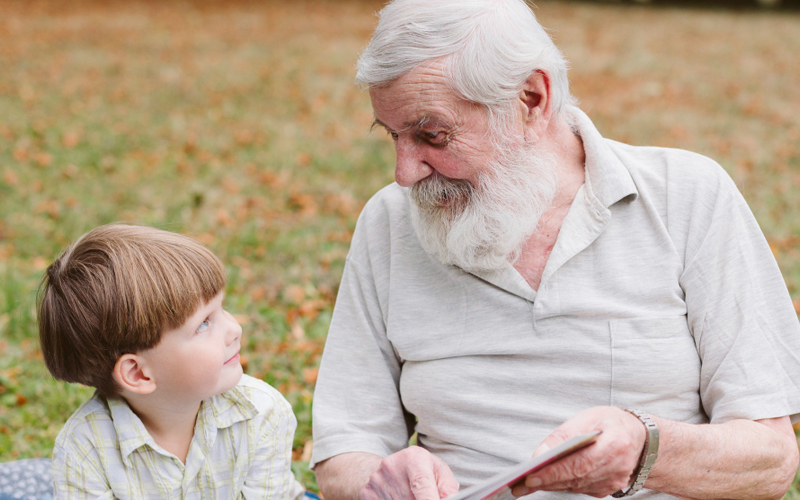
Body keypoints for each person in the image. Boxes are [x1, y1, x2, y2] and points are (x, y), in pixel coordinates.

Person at [309, 1, 800, 499]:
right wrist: (383, 482)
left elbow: (770, 460)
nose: (404, 172)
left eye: (431, 134)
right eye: (393, 135)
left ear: (531, 98)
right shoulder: (391, 220)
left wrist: (646, 448)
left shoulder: (688, 196)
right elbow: (344, 449)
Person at [37, 224, 306, 500]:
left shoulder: (261, 412)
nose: (234, 329)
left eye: (221, 308)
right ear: (138, 373)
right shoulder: (85, 449)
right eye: (203, 324)